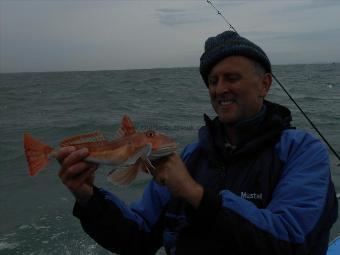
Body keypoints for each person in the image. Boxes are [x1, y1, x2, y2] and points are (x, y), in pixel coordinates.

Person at [57, 31, 338, 254]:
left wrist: (195, 194)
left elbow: (292, 241)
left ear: (264, 84)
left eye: (232, 77)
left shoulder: (301, 152)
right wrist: (88, 197)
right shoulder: (191, 157)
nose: (220, 89)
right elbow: (137, 239)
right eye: (213, 81)